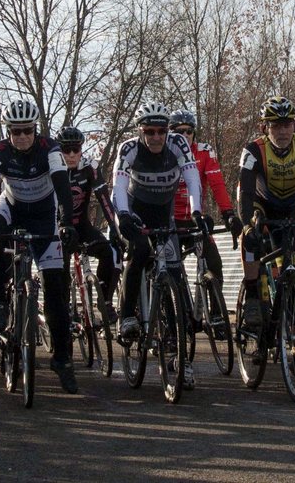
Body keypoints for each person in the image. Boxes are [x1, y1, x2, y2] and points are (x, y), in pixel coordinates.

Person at [0, 99, 80, 394]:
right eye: (15, 131)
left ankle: (62, 360)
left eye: (26, 130)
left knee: (56, 291)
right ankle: (1, 302)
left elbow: (62, 187)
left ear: (35, 129)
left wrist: (67, 223)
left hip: (44, 213)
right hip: (11, 206)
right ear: (8, 131)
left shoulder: (51, 149)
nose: (21, 136)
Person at [237, 96, 295, 388]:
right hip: (262, 205)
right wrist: (250, 222)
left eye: (287, 124)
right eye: (276, 125)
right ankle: (253, 295)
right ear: (265, 127)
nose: (282, 131)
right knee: (251, 239)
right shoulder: (253, 150)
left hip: (292, 206)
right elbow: (246, 193)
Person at [113, 102, 203, 384]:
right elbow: (117, 185)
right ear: (140, 131)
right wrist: (124, 215)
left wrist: (198, 212)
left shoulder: (177, 144)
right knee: (139, 253)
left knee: (174, 275)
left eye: (160, 131)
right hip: (135, 213)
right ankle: (127, 316)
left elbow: (192, 177)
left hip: (164, 215)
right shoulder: (128, 149)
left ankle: (181, 355)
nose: (155, 137)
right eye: (149, 131)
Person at [169, 110, 239, 301]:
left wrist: (228, 213)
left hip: (195, 219)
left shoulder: (204, 151)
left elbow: (217, 185)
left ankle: (216, 313)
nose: (184, 136)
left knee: (215, 263)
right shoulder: (163, 153)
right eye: (179, 131)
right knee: (165, 268)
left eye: (189, 131)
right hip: (169, 220)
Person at [56, 126, 120, 326]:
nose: (72, 154)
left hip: (81, 225)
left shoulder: (89, 167)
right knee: (61, 270)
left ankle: (105, 301)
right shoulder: (52, 168)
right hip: (56, 227)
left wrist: (114, 228)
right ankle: (63, 310)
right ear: (59, 151)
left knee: (109, 252)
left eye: (76, 149)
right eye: (67, 150)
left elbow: (103, 199)